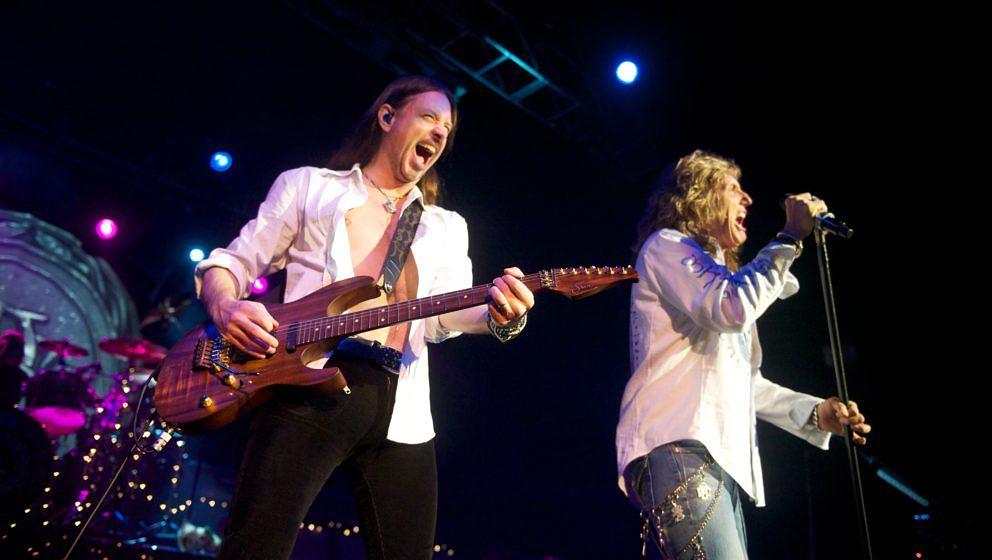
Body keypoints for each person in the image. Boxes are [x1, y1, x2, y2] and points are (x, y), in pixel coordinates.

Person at [194, 75, 534, 560]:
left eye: (448, 127)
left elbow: (445, 317)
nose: (441, 133)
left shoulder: (446, 226)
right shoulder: (309, 187)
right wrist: (226, 306)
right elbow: (232, 262)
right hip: (308, 384)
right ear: (388, 117)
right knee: (256, 546)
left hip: (403, 402)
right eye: (430, 117)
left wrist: (503, 314)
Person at [615, 150, 870, 559]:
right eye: (733, 187)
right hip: (680, 448)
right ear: (697, 195)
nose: (748, 199)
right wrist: (787, 239)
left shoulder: (720, 281)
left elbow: (744, 383)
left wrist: (813, 412)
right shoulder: (667, 248)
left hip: (715, 459)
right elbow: (731, 308)